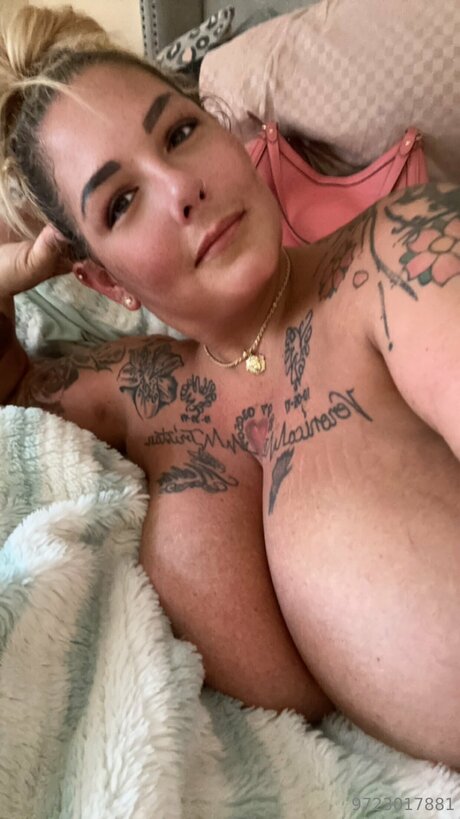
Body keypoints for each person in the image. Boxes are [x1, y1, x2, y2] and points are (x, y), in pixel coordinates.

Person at [0, 4, 459, 768]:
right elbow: (10, 383)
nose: (179, 186)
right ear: (104, 280)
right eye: (121, 201)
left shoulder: (400, 257)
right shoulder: (148, 391)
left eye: (180, 133)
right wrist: (17, 267)